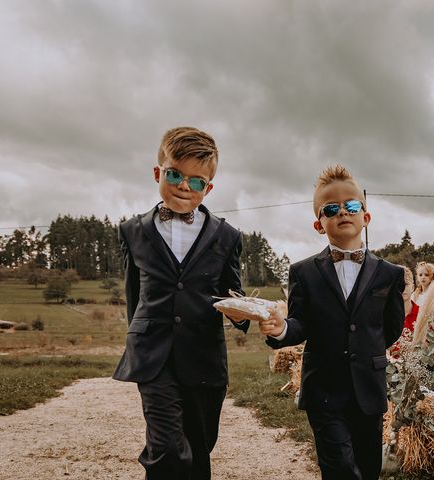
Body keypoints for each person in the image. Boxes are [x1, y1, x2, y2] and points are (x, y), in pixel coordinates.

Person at [113, 127, 250, 480]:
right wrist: (137, 337)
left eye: (197, 181)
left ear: (209, 187)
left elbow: (231, 293)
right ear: (158, 172)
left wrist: (244, 313)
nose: (184, 186)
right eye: (175, 174)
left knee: (199, 451)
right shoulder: (132, 231)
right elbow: (134, 294)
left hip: (204, 357)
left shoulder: (227, 236)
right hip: (153, 355)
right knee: (168, 449)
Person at [259, 165, 405, 480]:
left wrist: (366, 351)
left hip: (368, 387)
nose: (343, 212)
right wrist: (281, 328)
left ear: (365, 216)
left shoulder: (390, 274)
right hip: (324, 389)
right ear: (318, 223)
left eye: (352, 205)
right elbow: (301, 323)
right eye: (331, 208)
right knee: (339, 468)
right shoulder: (305, 272)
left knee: (367, 469)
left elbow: (391, 328)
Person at [389, 266, 419, 358]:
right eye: (398, 284)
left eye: (405, 284)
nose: (402, 288)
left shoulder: (422, 315)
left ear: (413, 287)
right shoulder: (383, 315)